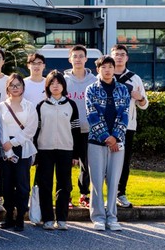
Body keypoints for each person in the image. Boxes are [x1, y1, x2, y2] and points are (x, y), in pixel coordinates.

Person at [85, 55, 130, 231]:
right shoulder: (91, 89)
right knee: (96, 181)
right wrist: (106, 137)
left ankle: (112, 217)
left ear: (114, 69)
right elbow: (92, 115)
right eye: (103, 67)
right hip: (96, 141)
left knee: (113, 181)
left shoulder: (123, 89)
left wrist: (115, 137)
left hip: (118, 143)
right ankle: (98, 217)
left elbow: (124, 114)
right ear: (98, 70)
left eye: (110, 67)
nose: (107, 70)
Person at [34, 70, 82, 231]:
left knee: (64, 185)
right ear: (47, 86)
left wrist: (76, 154)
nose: (55, 86)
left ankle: (61, 219)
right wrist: (35, 153)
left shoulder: (71, 105)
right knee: (45, 185)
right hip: (45, 149)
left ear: (63, 85)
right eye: (52, 83)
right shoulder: (41, 106)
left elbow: (76, 131)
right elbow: (36, 130)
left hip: (65, 149)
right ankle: (47, 218)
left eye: (58, 83)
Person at [0, 74, 38, 231]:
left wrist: (13, 143)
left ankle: (20, 217)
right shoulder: (2, 106)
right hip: (5, 148)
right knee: (6, 184)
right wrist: (6, 146)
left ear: (23, 87)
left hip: (23, 148)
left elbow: (31, 129)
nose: (15, 88)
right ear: (7, 88)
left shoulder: (29, 106)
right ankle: (9, 216)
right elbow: (0, 128)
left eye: (18, 85)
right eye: (12, 85)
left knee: (22, 185)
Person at [111, 44, 149, 209]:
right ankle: (107, 195)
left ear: (126, 58)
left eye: (122, 54)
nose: (119, 57)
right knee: (105, 162)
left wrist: (140, 97)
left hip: (127, 127)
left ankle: (121, 193)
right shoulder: (104, 75)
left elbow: (144, 105)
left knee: (124, 161)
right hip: (106, 127)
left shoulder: (135, 78)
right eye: (116, 54)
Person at [63, 44, 96, 208]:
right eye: (74, 56)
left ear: (86, 59)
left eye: (81, 56)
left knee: (87, 165)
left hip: (88, 130)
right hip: (67, 130)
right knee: (66, 164)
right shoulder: (63, 81)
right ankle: (66, 195)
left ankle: (84, 195)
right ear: (70, 59)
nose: (78, 59)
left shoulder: (94, 81)